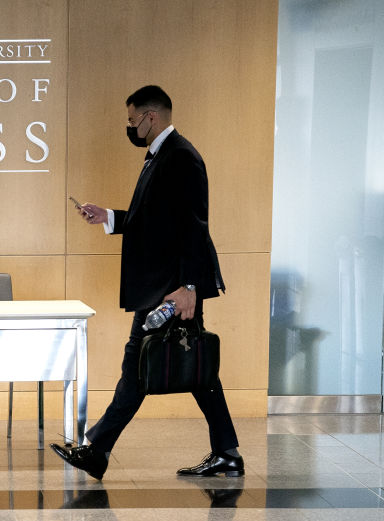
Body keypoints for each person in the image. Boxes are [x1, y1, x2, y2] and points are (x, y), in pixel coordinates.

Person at [50, 85, 244, 481]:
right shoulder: (162, 158)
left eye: (132, 120)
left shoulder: (181, 158)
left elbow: (194, 225)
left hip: (171, 288)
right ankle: (226, 453)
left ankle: (98, 450)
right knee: (189, 367)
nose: (130, 127)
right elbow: (154, 224)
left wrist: (189, 287)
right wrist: (108, 217)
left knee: (147, 362)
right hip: (164, 284)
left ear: (150, 116)